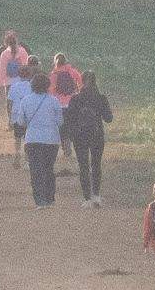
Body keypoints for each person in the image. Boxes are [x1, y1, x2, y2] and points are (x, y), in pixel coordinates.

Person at [14, 71, 66, 208]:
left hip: (33, 140)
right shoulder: (54, 101)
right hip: (51, 140)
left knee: (36, 171)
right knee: (49, 169)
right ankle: (50, 198)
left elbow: (20, 122)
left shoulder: (25, 100)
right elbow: (60, 122)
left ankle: (39, 200)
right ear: (47, 86)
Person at [65, 70, 114, 207]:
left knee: (83, 166)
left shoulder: (75, 98)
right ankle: (96, 196)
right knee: (96, 165)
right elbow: (109, 119)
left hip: (80, 136)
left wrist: (72, 133)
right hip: (97, 135)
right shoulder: (101, 98)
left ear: (81, 81)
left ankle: (87, 198)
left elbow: (69, 119)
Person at [50, 54, 83, 160]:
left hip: (60, 105)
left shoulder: (54, 74)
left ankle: (66, 149)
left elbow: (50, 91)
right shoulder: (72, 71)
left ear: (55, 62)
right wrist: (77, 92)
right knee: (72, 125)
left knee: (62, 128)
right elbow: (81, 81)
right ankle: (75, 147)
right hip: (72, 104)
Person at [5, 59, 36, 168]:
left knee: (17, 138)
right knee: (27, 139)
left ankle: (17, 154)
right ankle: (27, 161)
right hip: (28, 116)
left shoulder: (14, 86)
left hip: (16, 115)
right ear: (30, 75)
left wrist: (9, 118)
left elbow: (9, 103)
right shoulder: (32, 86)